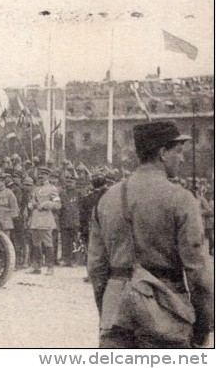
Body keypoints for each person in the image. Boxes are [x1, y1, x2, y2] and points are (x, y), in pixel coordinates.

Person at [88, 121, 213, 348]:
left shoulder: (107, 199)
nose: (182, 159)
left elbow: (96, 269)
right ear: (163, 153)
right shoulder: (181, 199)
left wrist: (107, 311)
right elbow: (199, 275)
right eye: (179, 152)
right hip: (167, 312)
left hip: (115, 312)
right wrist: (202, 329)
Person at [27, 167, 61, 275]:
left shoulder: (52, 189)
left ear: (48, 176)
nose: (41, 176)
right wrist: (31, 204)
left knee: (48, 243)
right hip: (35, 219)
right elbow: (32, 200)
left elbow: (58, 204)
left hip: (45, 219)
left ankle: (50, 267)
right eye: (39, 174)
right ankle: (36, 266)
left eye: (43, 174)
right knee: (35, 243)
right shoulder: (36, 189)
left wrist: (46, 204)